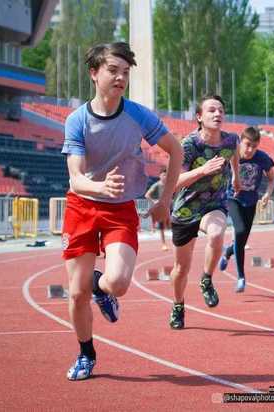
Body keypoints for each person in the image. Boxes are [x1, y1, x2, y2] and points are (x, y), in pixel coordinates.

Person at [61, 42, 183, 381]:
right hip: (83, 206)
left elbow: (175, 151)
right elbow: (75, 179)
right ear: (94, 73)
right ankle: (86, 354)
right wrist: (99, 187)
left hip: (120, 210)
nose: (120, 78)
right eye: (113, 70)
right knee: (76, 291)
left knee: (118, 282)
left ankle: (102, 289)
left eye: (125, 73)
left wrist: (164, 201)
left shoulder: (138, 115)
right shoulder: (77, 121)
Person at [168, 94, 240, 329]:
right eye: (211, 110)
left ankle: (206, 279)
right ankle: (178, 305)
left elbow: (234, 156)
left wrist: (237, 178)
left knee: (217, 234)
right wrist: (203, 170)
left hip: (214, 203)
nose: (217, 114)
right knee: (181, 268)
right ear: (199, 117)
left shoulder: (231, 140)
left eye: (220, 110)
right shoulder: (189, 145)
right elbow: (174, 182)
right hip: (187, 207)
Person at [219, 127, 274, 292]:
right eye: (247, 145)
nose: (250, 150)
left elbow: (272, 178)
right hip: (233, 198)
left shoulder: (262, 158)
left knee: (242, 241)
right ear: (241, 142)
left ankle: (227, 252)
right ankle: (241, 277)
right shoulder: (231, 154)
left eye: (254, 146)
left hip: (251, 202)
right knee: (240, 230)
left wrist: (267, 194)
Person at [145, 168, 169, 250]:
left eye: (166, 175)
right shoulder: (156, 185)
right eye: (163, 175)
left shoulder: (169, 185)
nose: (165, 177)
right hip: (157, 206)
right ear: (160, 176)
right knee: (161, 224)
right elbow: (147, 195)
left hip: (165, 205)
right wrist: (154, 202)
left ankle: (154, 227)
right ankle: (164, 244)